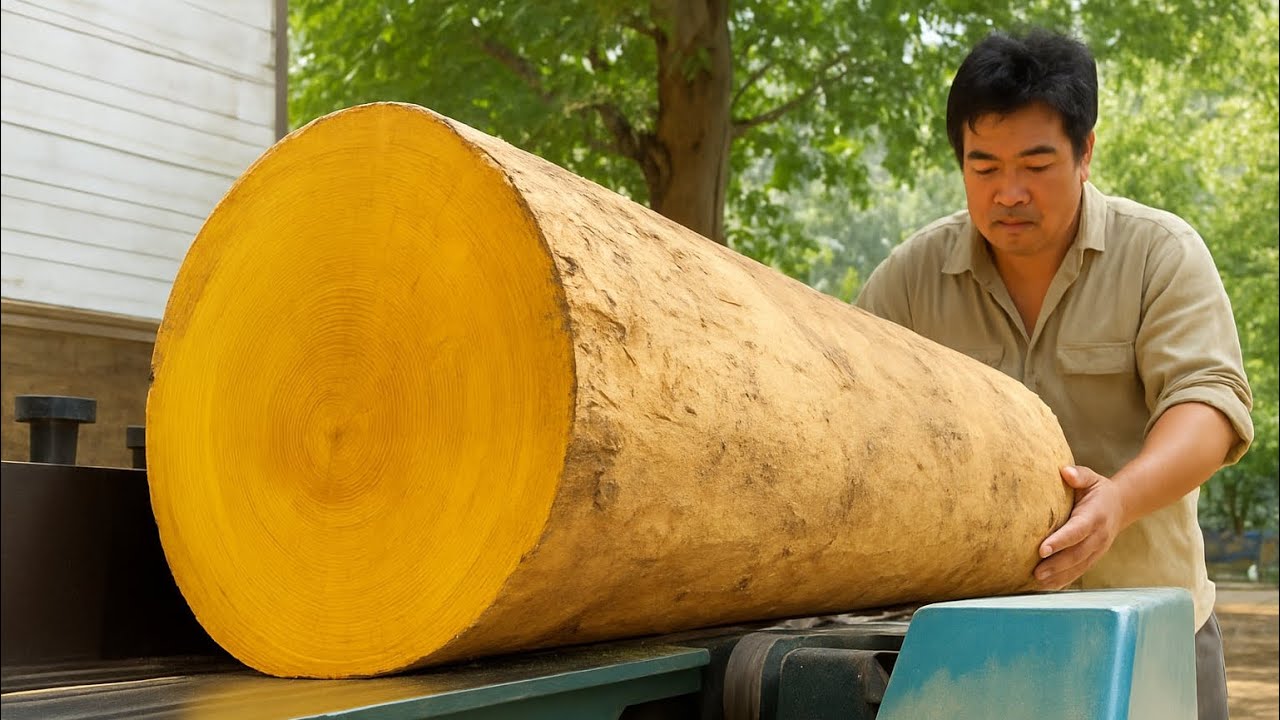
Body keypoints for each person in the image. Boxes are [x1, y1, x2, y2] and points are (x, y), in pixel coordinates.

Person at [854, 28, 1253, 719]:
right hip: (969, 652)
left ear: (1086, 152)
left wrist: (1118, 502)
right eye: (984, 168)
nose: (1009, 193)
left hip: (1152, 635)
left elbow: (1210, 407)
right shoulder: (912, 279)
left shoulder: (1160, 254)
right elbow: (846, 408)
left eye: (1036, 165)